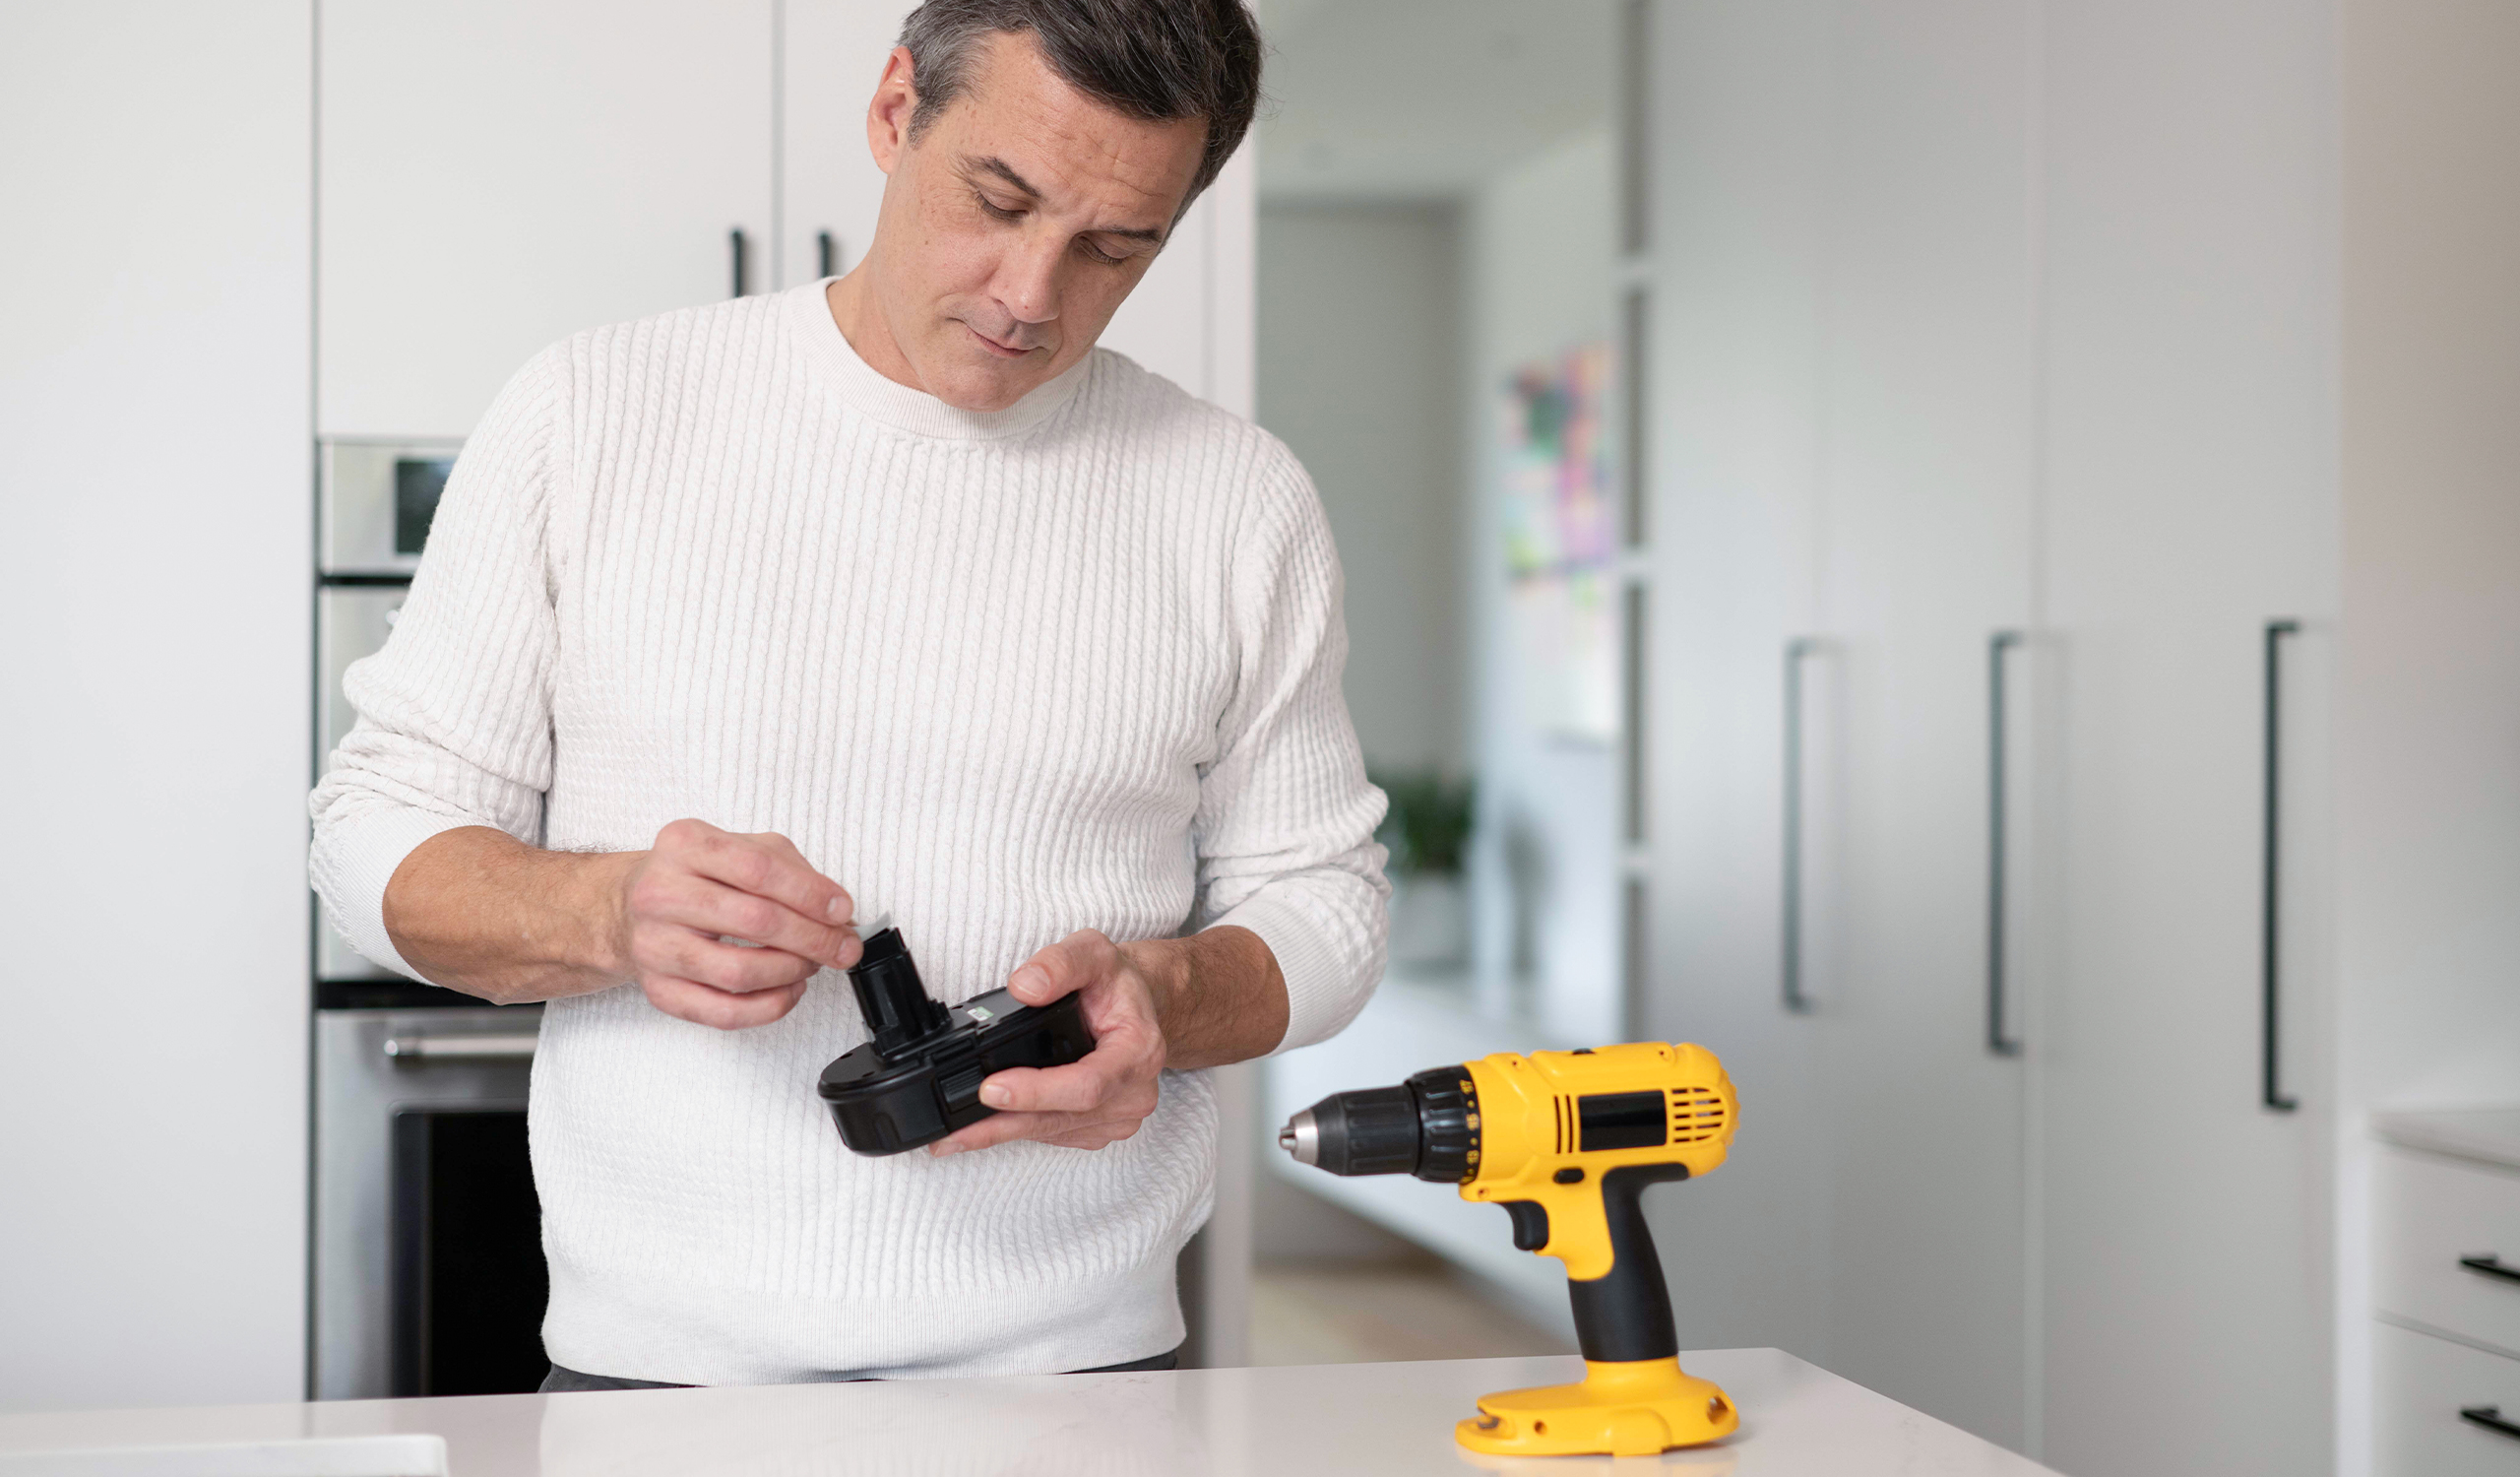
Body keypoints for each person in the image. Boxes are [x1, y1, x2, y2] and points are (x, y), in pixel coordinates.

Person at [309, 0, 1387, 1389]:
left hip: (1084, 1392)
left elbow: (1328, 903)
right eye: (997, 200)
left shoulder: (1236, 500)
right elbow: (367, 839)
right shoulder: (591, 415)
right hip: (656, 1390)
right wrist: (606, 912)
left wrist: (1167, 1000)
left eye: (1117, 248)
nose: (1028, 296)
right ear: (895, 113)